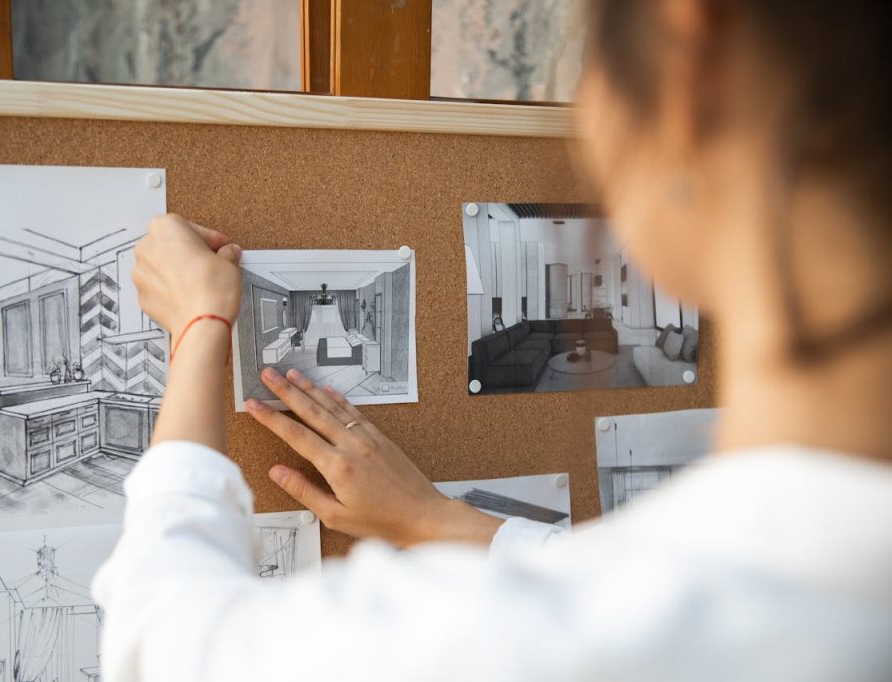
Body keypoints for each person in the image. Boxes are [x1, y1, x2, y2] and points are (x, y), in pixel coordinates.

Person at [92, 1, 892, 679]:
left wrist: (198, 326)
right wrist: (439, 521)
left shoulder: (558, 640)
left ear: (695, 64)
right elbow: (619, 577)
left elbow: (163, 640)